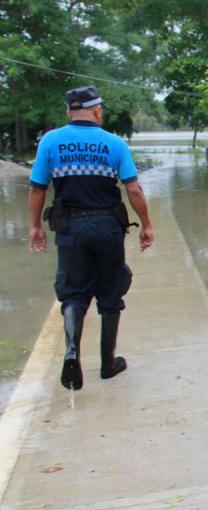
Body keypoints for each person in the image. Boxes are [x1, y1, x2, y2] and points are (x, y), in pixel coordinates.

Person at [27, 85, 154, 390]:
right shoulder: (114, 143)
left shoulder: (50, 141)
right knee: (111, 292)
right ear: (97, 110)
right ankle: (108, 364)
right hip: (108, 227)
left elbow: (37, 189)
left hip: (70, 229)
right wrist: (146, 223)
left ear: (68, 111)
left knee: (73, 293)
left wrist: (35, 227)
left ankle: (72, 351)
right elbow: (133, 189)